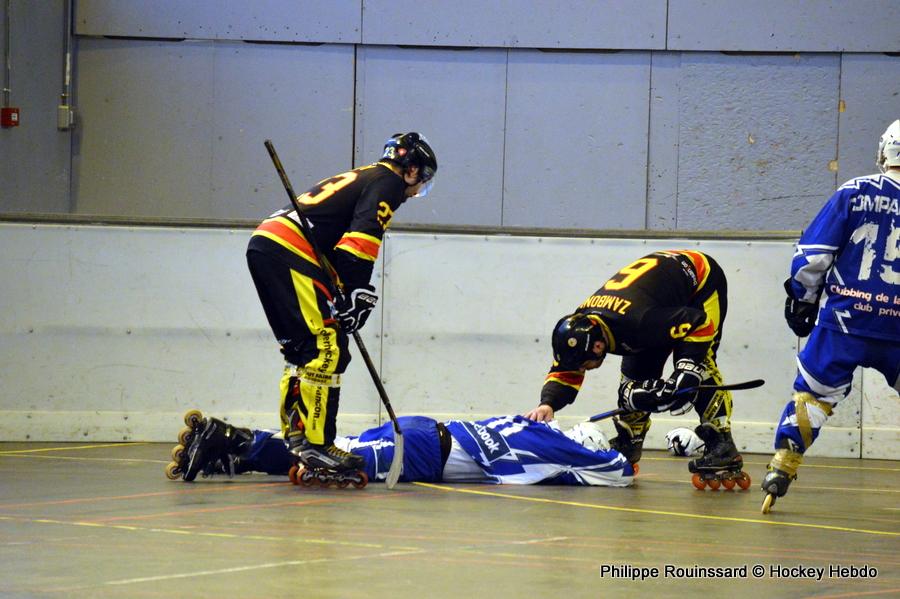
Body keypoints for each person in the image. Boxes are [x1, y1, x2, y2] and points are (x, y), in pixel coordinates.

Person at [243, 132, 437, 475]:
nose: (415, 191)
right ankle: (318, 446)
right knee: (327, 346)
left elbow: (334, 241)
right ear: (411, 171)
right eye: (420, 182)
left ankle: (297, 436)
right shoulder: (389, 183)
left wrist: (346, 294)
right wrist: (358, 291)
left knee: (301, 349)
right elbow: (360, 240)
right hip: (291, 250)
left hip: (268, 244)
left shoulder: (365, 174)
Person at [761, 119, 900, 513]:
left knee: (814, 396)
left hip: (845, 321)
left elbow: (813, 256)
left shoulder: (854, 191)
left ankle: (781, 469)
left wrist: (803, 299)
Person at [524, 249, 750, 489]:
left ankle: (721, 442)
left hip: (700, 280)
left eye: (583, 365)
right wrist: (547, 404)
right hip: (653, 305)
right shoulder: (583, 323)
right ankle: (629, 440)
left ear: (599, 346)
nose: (581, 370)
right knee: (635, 376)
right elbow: (566, 370)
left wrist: (687, 370)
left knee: (698, 367)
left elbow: (699, 321)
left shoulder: (637, 323)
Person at [166, 412, 635, 487]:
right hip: (428, 452)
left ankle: (236, 454)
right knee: (332, 461)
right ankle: (234, 440)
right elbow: (619, 471)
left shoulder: (535, 425)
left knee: (336, 448)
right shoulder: (562, 448)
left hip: (423, 431)